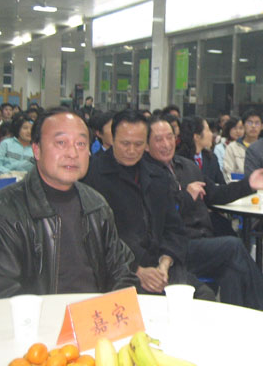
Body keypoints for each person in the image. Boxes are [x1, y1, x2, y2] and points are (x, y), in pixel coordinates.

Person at [0, 107, 139, 300]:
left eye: (81, 144)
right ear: (37, 150)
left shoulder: (96, 204)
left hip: (94, 314)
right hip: (38, 317)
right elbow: (0, 292)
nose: (73, 153)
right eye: (61, 143)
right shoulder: (3, 210)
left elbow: (122, 271)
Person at [144, 116, 263, 312]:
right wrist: (185, 197)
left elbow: (216, 194)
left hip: (204, 241)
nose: (166, 144)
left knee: (232, 270)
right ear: (146, 145)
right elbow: (159, 217)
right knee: (233, 246)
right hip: (176, 248)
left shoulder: (187, 166)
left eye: (170, 137)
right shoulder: (147, 175)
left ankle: (233, 319)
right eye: (159, 140)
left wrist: (249, 185)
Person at [83, 109, 214, 299]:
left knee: (204, 297)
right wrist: (137, 270)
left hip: (161, 266)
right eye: (125, 143)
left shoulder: (157, 176)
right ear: (112, 139)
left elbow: (174, 228)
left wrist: (164, 264)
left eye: (138, 144)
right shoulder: (93, 176)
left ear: (146, 144)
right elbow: (96, 239)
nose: (131, 150)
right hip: (118, 271)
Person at [178, 116, 225, 186]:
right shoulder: (179, 161)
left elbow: (222, 185)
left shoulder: (212, 158)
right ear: (197, 136)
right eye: (208, 130)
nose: (211, 134)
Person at [0, 115, 35, 179]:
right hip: (2, 179)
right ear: (18, 129)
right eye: (25, 128)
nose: (29, 131)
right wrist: (10, 175)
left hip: (24, 180)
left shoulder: (37, 149)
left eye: (32, 129)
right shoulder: (6, 143)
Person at [223, 109, 261, 182]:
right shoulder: (232, 147)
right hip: (238, 187)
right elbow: (228, 174)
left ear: (262, 127)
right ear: (243, 125)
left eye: (257, 123)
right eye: (249, 123)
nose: (253, 126)